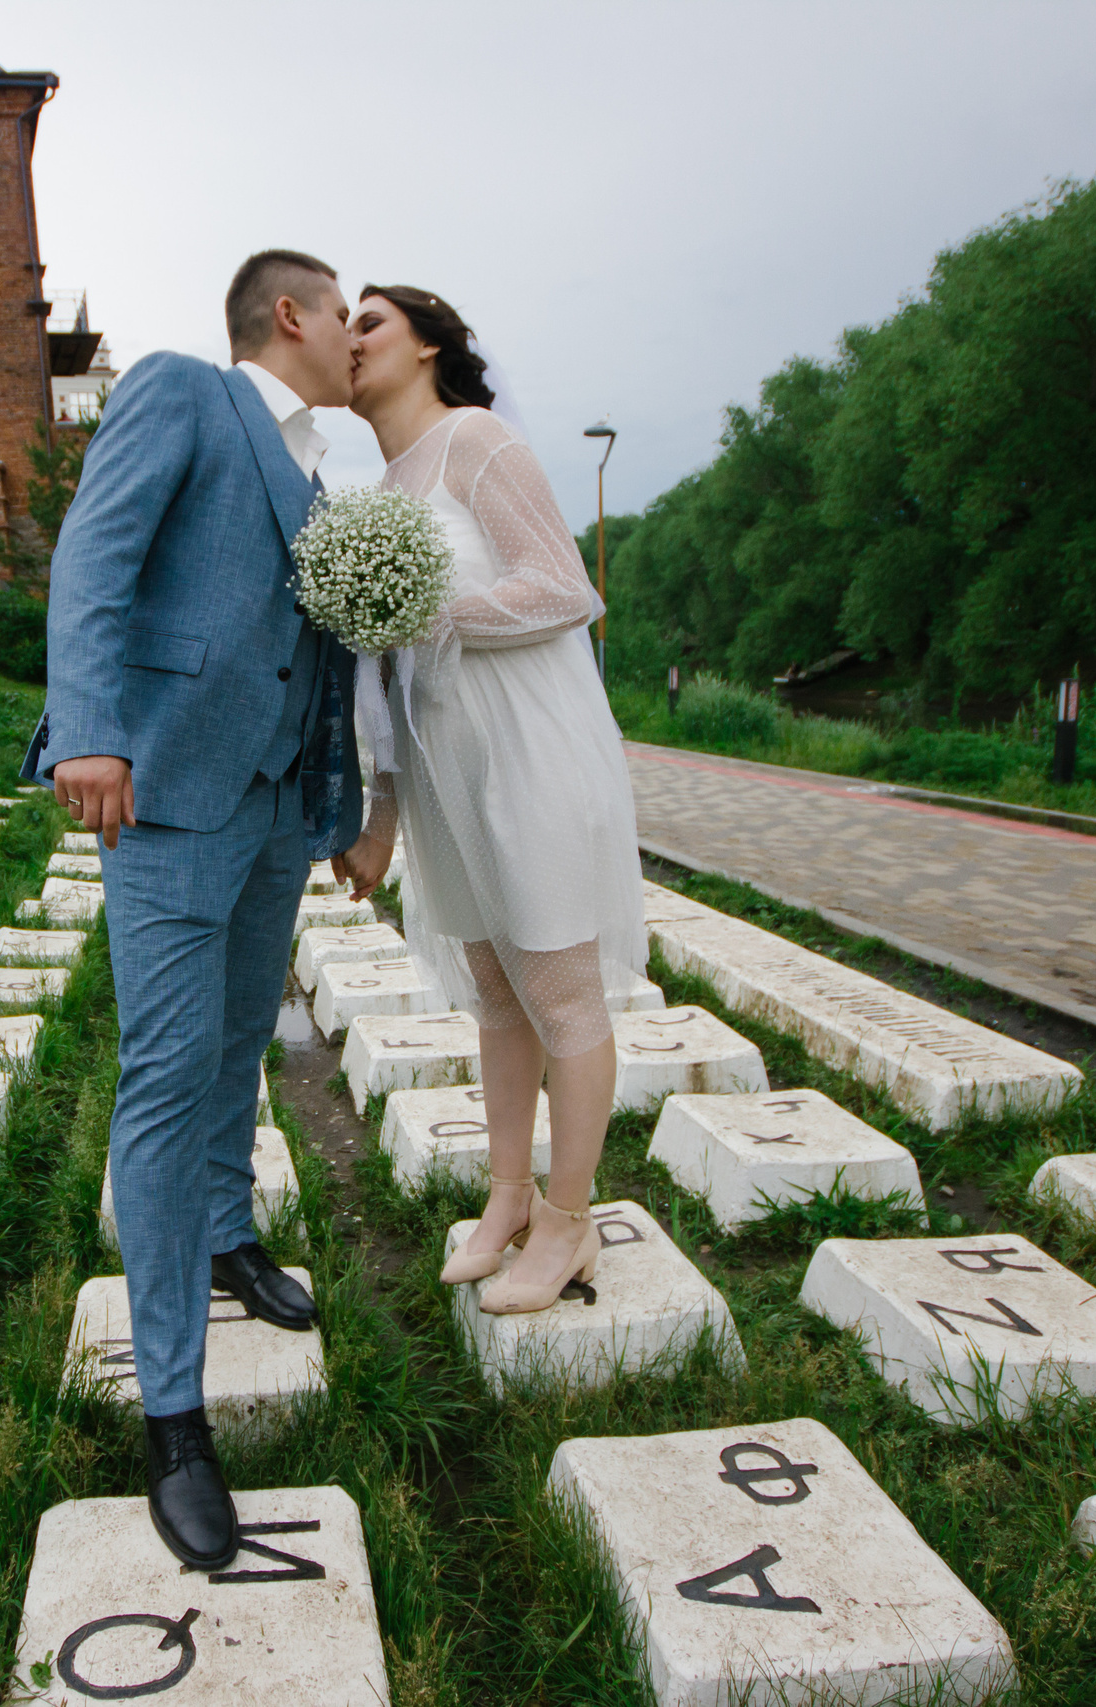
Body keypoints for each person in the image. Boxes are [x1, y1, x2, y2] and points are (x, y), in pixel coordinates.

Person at [22, 249, 366, 1572]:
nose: (354, 337)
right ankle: (173, 1414)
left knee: (238, 1046)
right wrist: (89, 727)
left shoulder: (322, 480)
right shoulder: (181, 390)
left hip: (274, 807)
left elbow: (318, 665)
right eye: (342, 314)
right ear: (289, 315)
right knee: (166, 1078)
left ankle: (228, 1235)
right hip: (163, 788)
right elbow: (94, 556)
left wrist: (343, 802)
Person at [335, 284, 648, 1316]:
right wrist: (382, 819)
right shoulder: (382, 489)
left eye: (370, 322)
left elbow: (563, 588)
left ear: (428, 344)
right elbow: (382, 685)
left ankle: (569, 1221)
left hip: (526, 754)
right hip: (445, 778)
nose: (349, 340)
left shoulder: (477, 441)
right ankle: (507, 1194)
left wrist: (436, 609)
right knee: (497, 993)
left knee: (560, 991)